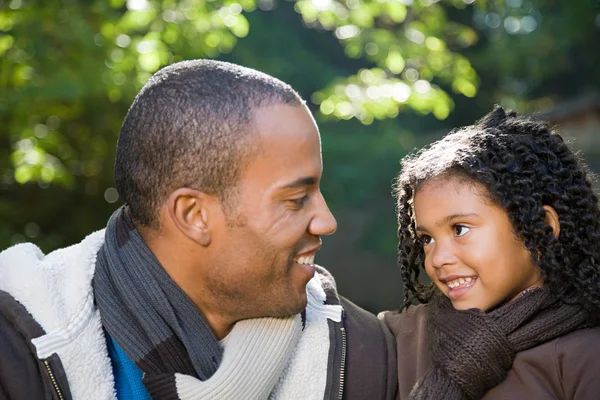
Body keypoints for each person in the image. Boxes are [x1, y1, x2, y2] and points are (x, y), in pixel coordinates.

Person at [0, 60, 398, 400]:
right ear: (194, 215)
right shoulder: (15, 351)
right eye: (296, 199)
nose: (327, 221)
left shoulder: (371, 359)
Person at [381, 105, 600, 399]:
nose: (438, 258)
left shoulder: (585, 357)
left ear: (541, 228)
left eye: (460, 229)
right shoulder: (406, 336)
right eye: (427, 238)